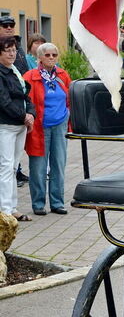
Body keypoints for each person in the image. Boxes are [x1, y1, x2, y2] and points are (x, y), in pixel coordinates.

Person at [23, 43, 71, 215]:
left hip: (60, 125)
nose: (51, 58)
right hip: (38, 127)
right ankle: (38, 204)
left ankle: (57, 203)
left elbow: (69, 98)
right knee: (38, 167)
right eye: (48, 55)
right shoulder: (30, 76)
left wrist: (69, 117)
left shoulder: (62, 75)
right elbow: (24, 100)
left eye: (54, 55)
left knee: (58, 164)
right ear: (40, 58)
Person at [0, 36, 35, 221]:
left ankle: (12, 208)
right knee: (5, 167)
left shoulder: (14, 71)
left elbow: (25, 96)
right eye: (8, 50)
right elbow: (4, 101)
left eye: (14, 50)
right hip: (5, 125)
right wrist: (24, 116)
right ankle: (5, 210)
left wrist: (31, 114)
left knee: (13, 168)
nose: (12, 54)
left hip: (20, 125)